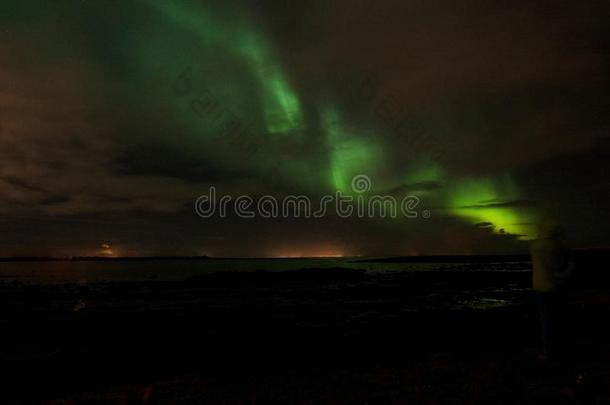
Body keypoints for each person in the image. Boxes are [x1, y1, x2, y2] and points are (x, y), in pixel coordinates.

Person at [530, 217, 573, 360]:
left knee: (545, 319)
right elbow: (561, 266)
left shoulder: (535, 246)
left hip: (540, 287)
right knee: (558, 318)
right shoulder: (558, 247)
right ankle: (559, 349)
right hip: (557, 286)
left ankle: (547, 351)